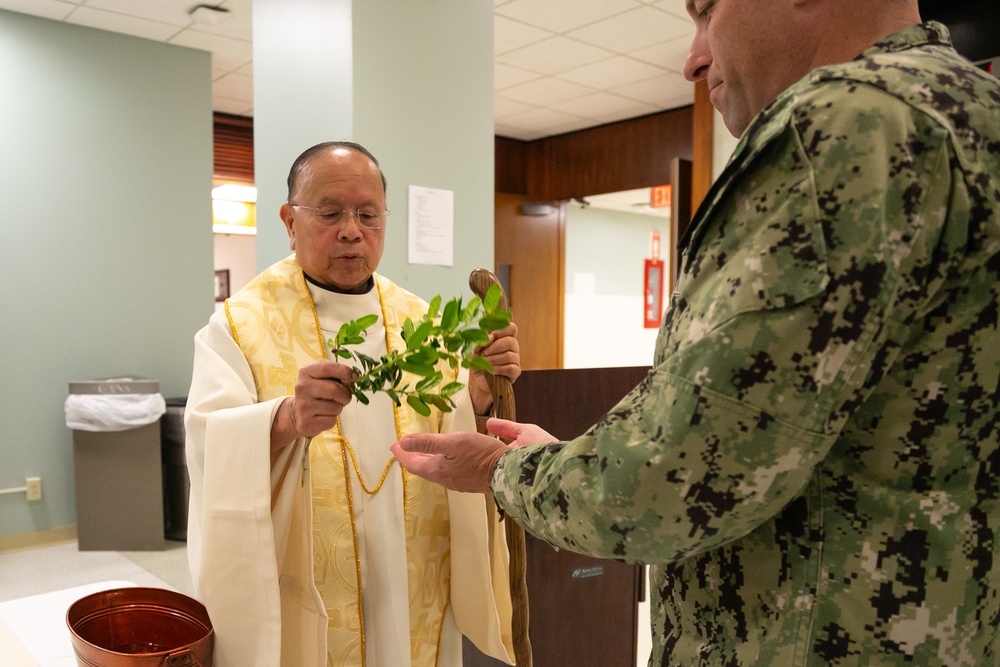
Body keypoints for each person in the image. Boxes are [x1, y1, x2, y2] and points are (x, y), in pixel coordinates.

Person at [391, 1, 1000, 665]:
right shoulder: (976, 112)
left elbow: (668, 482)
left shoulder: (841, 125)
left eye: (708, 11)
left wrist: (502, 470)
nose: (693, 58)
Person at [185, 141, 519, 667]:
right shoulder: (237, 326)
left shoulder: (418, 321)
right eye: (329, 212)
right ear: (289, 221)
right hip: (308, 578)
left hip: (410, 574)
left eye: (367, 214)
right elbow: (208, 441)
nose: (350, 230)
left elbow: (450, 423)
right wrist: (284, 420)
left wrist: (476, 396)